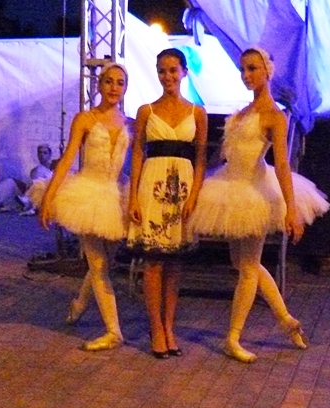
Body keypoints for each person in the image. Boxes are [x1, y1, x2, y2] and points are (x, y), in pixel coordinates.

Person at [184, 47, 330, 363]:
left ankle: (233, 337)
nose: (246, 74)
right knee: (242, 264)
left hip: (255, 190)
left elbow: (282, 164)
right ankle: (286, 320)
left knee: (248, 267)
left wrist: (291, 209)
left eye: (252, 68)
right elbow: (225, 154)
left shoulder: (274, 116)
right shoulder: (242, 112)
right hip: (230, 185)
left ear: (267, 71)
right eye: (243, 69)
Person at [35, 63, 131, 351]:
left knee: (105, 263)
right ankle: (113, 331)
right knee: (98, 264)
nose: (114, 87)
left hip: (116, 194)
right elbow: (67, 159)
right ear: (99, 85)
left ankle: (79, 304)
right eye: (109, 81)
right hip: (88, 193)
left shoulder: (129, 122)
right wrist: (49, 197)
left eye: (120, 82)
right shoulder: (85, 119)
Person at [127, 48, 208, 359]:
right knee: (153, 261)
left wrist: (194, 195)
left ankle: (169, 326)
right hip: (152, 185)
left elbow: (201, 158)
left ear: (184, 72)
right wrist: (133, 196)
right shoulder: (146, 111)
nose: (167, 76)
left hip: (182, 188)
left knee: (174, 263)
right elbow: (137, 154)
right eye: (162, 70)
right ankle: (156, 327)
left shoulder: (197, 113)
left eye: (173, 70)